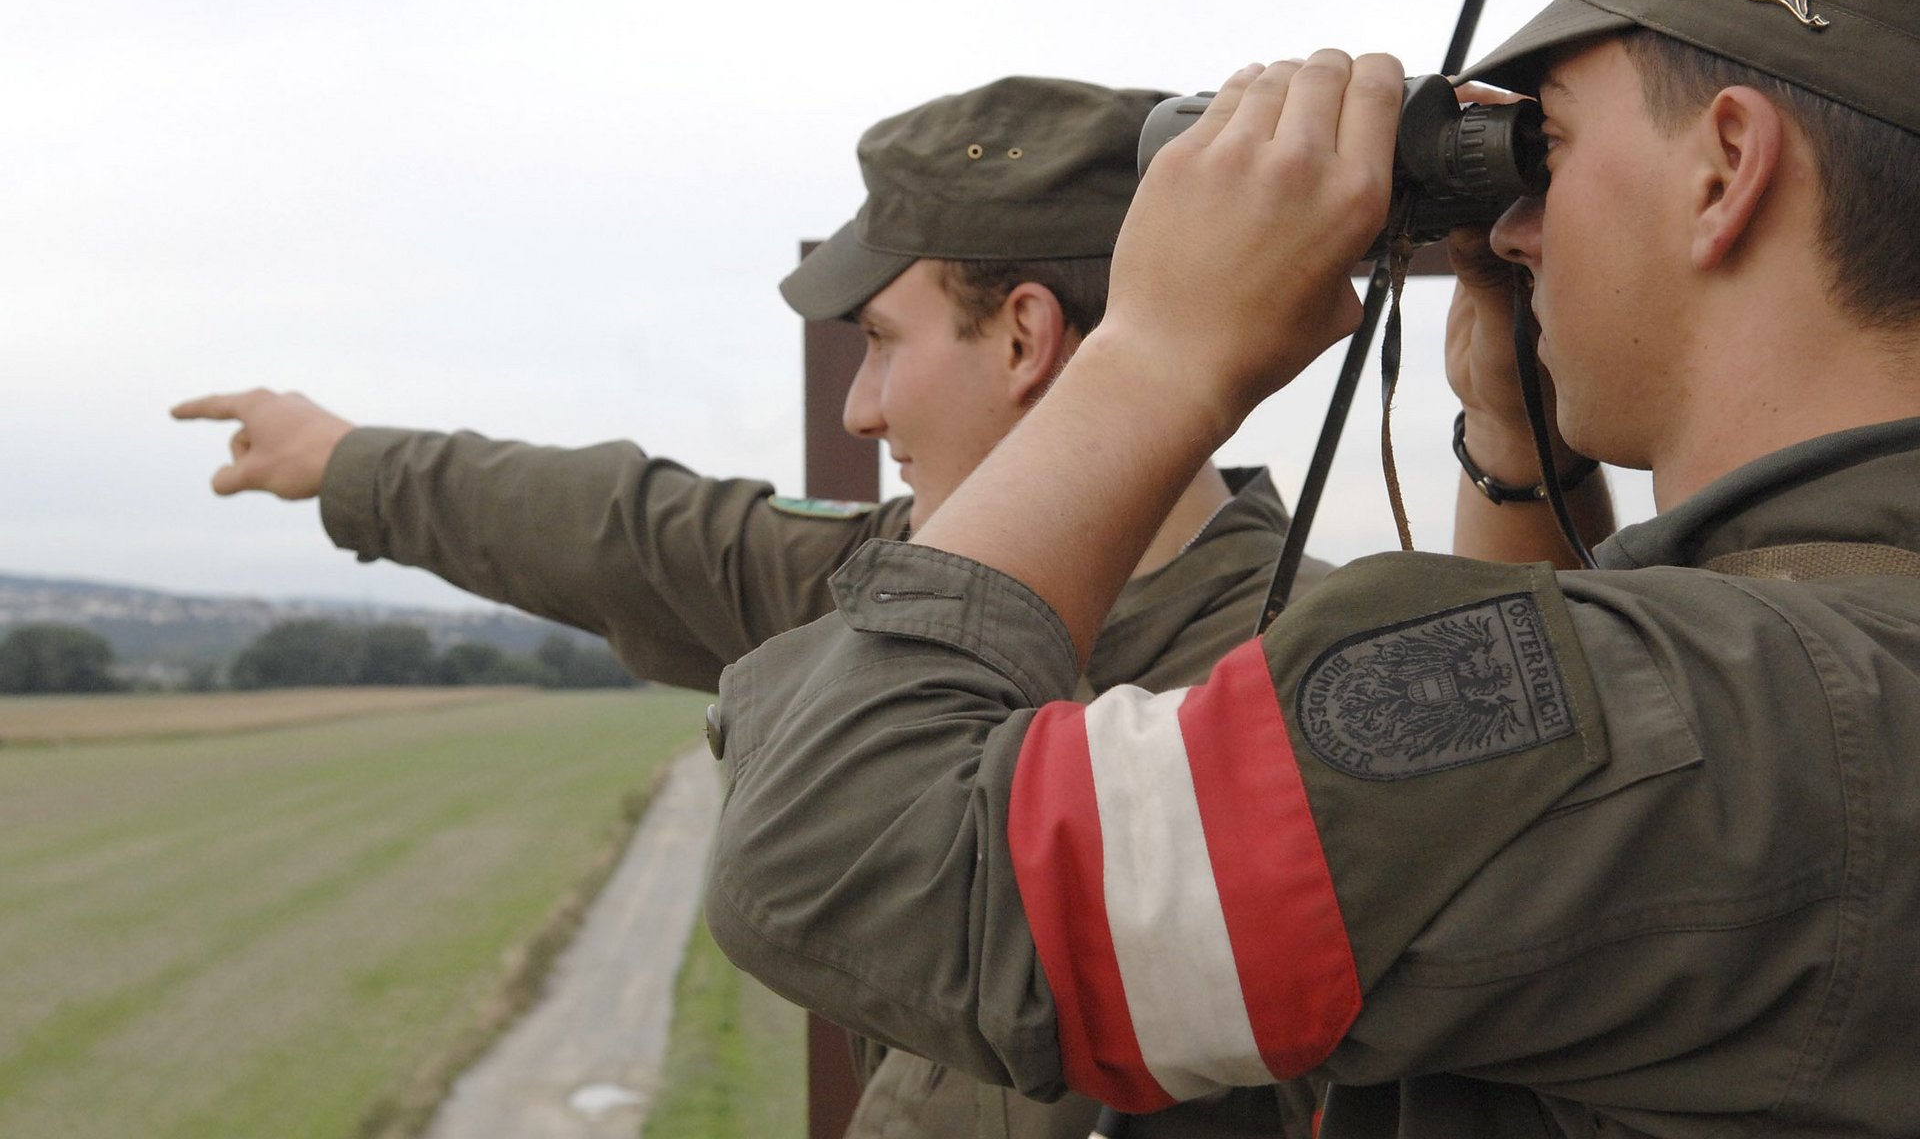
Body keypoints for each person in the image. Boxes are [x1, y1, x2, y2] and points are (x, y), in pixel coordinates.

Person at [703, 0, 1920, 1133]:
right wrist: (1519, 440)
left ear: (1725, 168)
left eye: (1545, 147)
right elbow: (1565, 886)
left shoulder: (1667, 718)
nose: (1511, 228)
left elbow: (842, 855)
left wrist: (1163, 349)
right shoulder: (1793, 685)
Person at [173, 76, 1335, 1138]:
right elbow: (628, 530)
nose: (863, 411)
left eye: (882, 342)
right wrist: (346, 462)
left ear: (1026, 336)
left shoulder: (1303, 689)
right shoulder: (904, 585)